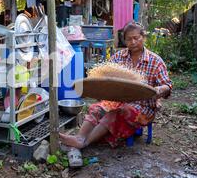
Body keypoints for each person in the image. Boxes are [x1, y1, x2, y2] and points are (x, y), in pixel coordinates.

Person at [60, 21, 173, 149]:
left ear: (143, 37)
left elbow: (167, 85)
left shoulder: (155, 61)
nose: (133, 42)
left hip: (143, 107)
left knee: (117, 112)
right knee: (97, 108)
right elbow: (106, 80)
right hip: (117, 100)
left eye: (136, 38)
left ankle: (84, 143)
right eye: (129, 39)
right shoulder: (118, 57)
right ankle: (80, 137)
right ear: (124, 41)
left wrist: (159, 89)